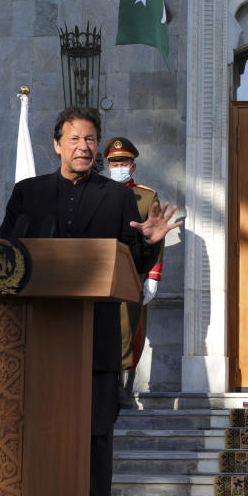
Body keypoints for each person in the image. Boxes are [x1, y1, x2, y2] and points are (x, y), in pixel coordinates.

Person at [0, 107, 181, 496]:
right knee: (39, 426)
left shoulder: (118, 198)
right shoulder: (29, 193)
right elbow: (5, 251)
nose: (84, 147)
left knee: (97, 432)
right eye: (75, 138)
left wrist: (150, 245)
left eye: (91, 139)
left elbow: (130, 265)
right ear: (57, 143)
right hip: (40, 334)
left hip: (96, 334)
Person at [103, 137, 163, 406]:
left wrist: (153, 276)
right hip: (99, 272)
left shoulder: (146, 196)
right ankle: (104, 385)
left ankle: (123, 390)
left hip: (133, 273)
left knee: (130, 328)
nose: (119, 166)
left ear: (133, 166)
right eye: (114, 162)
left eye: (123, 162)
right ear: (107, 166)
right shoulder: (97, 193)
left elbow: (156, 237)